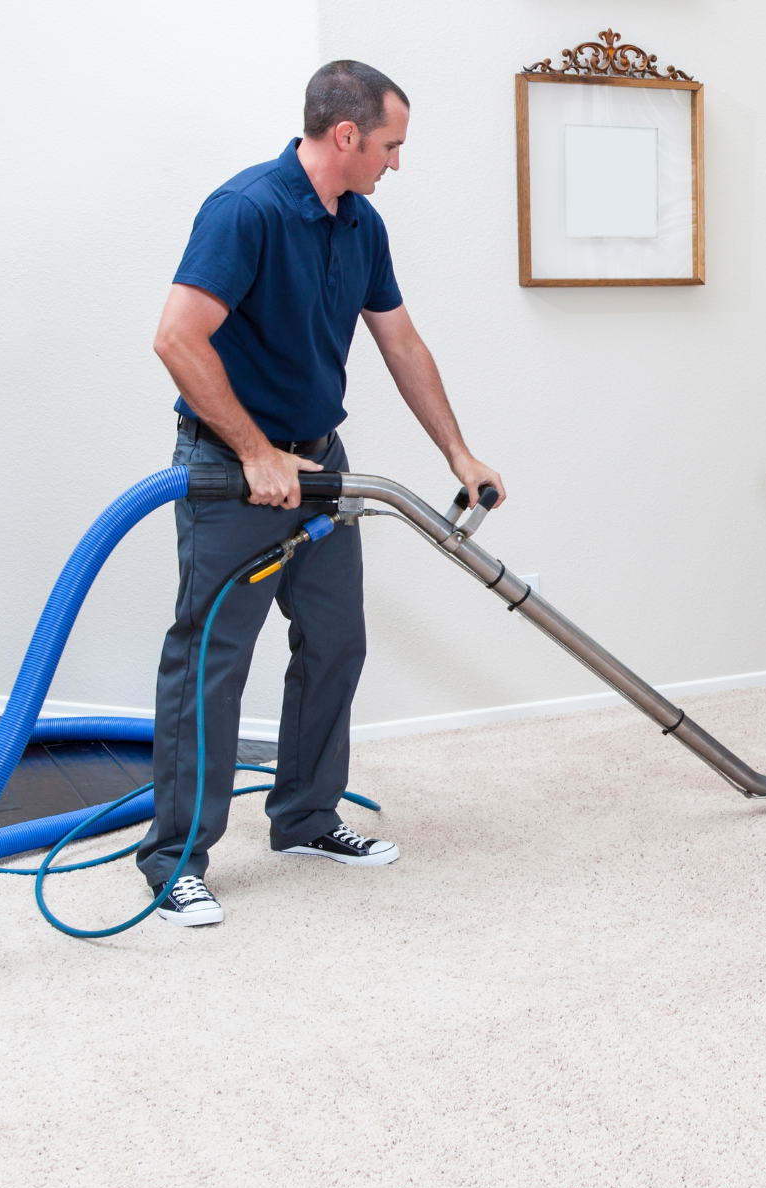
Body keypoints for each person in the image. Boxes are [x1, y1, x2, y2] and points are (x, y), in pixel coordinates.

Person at [141, 60, 504, 927]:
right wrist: (256, 452)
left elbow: (402, 343)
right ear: (345, 136)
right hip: (236, 473)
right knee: (212, 661)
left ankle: (304, 817)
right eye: (390, 146)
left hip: (321, 467)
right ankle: (174, 859)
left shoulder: (361, 224)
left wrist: (458, 453)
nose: (395, 163)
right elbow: (176, 338)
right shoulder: (247, 210)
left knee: (336, 640)